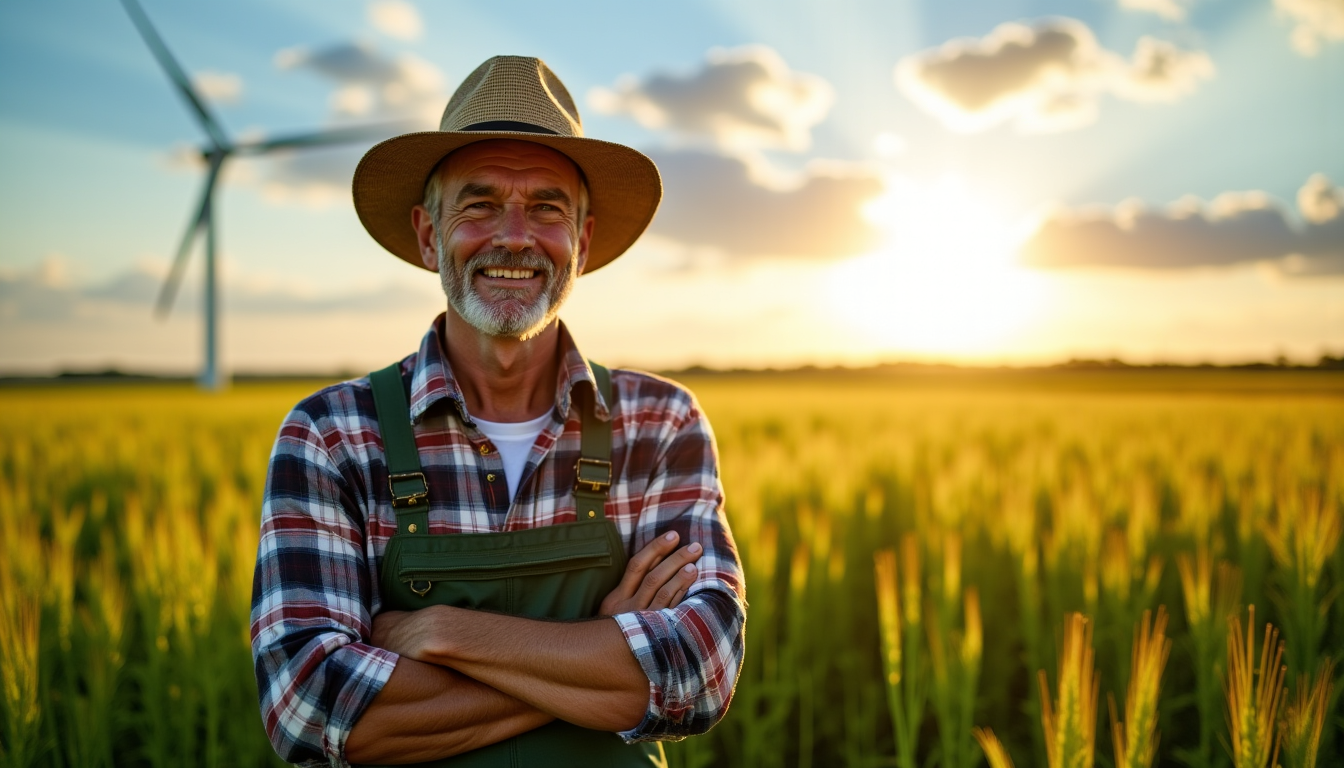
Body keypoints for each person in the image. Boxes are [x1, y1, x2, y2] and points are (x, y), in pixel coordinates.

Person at [250, 56, 747, 767]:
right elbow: (310, 709)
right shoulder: (331, 436)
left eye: (547, 207)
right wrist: (600, 646)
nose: (514, 235)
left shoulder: (659, 424)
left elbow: (699, 674)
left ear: (584, 241)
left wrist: (447, 633)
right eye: (479, 205)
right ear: (428, 236)